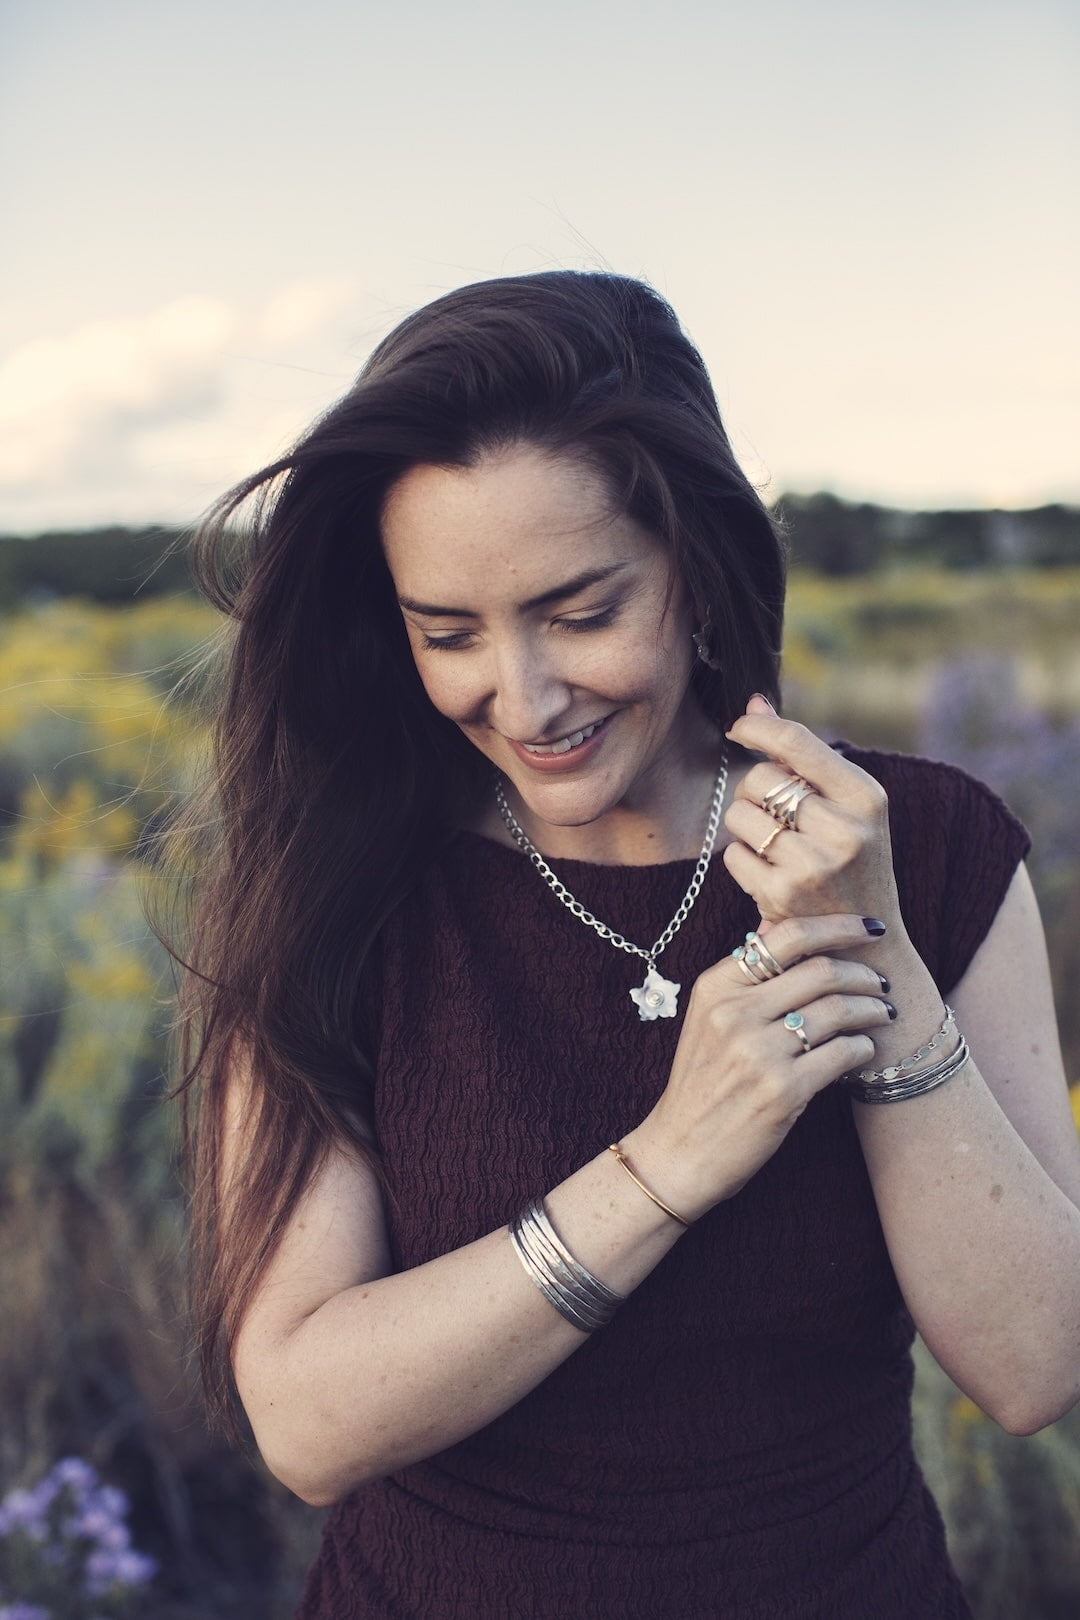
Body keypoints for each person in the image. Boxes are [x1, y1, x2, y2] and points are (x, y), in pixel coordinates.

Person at [175, 270, 1080, 1619]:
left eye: (581, 614)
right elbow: (308, 1425)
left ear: (698, 573)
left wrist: (873, 947)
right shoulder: (338, 890)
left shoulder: (928, 846)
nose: (525, 699)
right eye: (449, 634)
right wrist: (666, 1165)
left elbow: (1032, 1365)